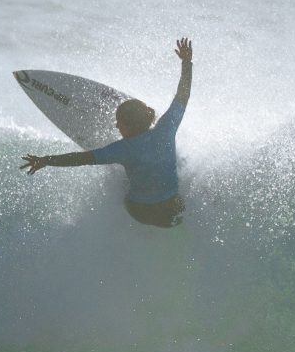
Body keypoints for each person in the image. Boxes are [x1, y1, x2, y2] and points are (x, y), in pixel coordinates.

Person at [21, 38, 193, 228]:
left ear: (130, 126)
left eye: (119, 123)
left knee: (122, 184)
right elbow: (183, 95)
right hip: (172, 212)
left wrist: (46, 160)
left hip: (142, 213)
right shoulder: (166, 129)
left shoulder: (121, 149)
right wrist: (186, 62)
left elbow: (81, 158)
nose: (117, 127)